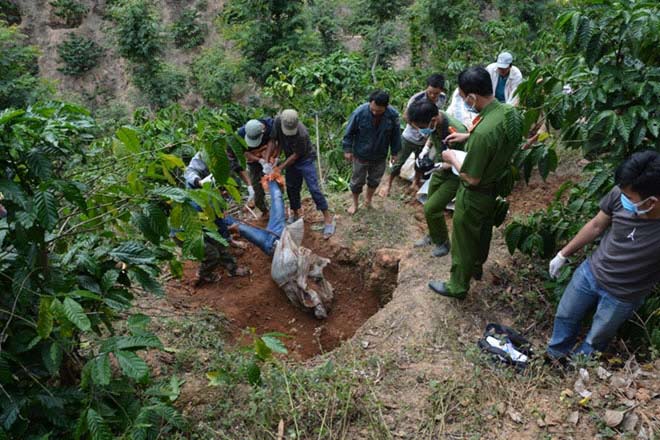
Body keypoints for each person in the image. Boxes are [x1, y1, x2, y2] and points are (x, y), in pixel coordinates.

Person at [546, 151, 660, 361]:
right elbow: (597, 225)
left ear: (652, 201)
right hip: (591, 273)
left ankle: (577, 367)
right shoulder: (620, 193)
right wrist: (563, 254)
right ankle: (554, 357)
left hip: (622, 296)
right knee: (565, 316)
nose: (623, 199)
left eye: (630, 198)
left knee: (596, 339)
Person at [429, 66, 521, 299]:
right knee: (483, 233)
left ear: (472, 96)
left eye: (462, 97)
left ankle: (457, 285)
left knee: (463, 238)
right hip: (496, 187)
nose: (463, 101)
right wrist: (467, 136)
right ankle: (477, 267)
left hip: (476, 192)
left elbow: (471, 177)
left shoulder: (482, 134)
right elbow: (496, 136)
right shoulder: (508, 114)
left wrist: (450, 158)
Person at [226, 173, 334, 319]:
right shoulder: (304, 275)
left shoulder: (286, 279)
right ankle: (269, 173)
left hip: (269, 243)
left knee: (239, 226)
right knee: (276, 199)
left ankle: (215, 214)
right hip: (280, 232)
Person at [406, 101, 468, 257]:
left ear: (433, 120)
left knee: (432, 208)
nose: (421, 130)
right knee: (429, 201)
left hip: (455, 173)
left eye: (421, 127)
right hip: (441, 169)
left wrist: (436, 166)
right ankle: (433, 235)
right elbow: (431, 136)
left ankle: (443, 243)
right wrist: (425, 151)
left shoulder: (455, 131)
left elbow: (460, 160)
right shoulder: (436, 121)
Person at [183, 152, 249, 285]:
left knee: (221, 239)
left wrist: (227, 235)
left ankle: (232, 268)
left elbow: (221, 223)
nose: (226, 195)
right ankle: (202, 275)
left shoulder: (218, 193)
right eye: (225, 193)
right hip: (198, 221)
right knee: (213, 252)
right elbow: (189, 172)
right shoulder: (197, 201)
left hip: (209, 209)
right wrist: (199, 182)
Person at [267, 109, 335, 239]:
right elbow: (276, 140)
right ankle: (296, 214)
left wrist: (280, 167)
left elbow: (296, 155)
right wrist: (271, 157)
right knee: (292, 188)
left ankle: (328, 219)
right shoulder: (277, 122)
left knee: (314, 188)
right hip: (289, 159)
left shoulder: (302, 133)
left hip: (305, 159)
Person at [381, 74, 447, 196]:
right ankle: (388, 184)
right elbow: (406, 116)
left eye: (436, 93)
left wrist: (430, 132)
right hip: (410, 137)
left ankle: (415, 183)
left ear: (441, 91)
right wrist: (419, 129)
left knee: (420, 162)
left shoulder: (443, 99)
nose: (433, 96)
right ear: (426, 88)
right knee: (399, 161)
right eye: (430, 92)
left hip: (426, 140)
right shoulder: (416, 99)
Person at [342, 90, 401, 214]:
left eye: (379, 111)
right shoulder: (359, 112)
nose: (375, 112)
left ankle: (368, 200)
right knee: (357, 181)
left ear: (386, 107)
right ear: (370, 103)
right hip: (361, 154)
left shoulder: (393, 116)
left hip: (380, 155)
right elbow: (349, 132)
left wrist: (395, 152)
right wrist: (347, 149)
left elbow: (396, 136)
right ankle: (355, 203)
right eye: (372, 109)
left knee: (374, 180)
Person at [237, 118, 275, 216]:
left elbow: (272, 142)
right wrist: (260, 160)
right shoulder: (240, 134)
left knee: (275, 182)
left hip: (268, 155)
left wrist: (266, 160)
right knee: (256, 189)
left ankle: (277, 208)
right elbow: (245, 153)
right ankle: (264, 211)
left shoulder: (269, 126)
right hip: (253, 160)